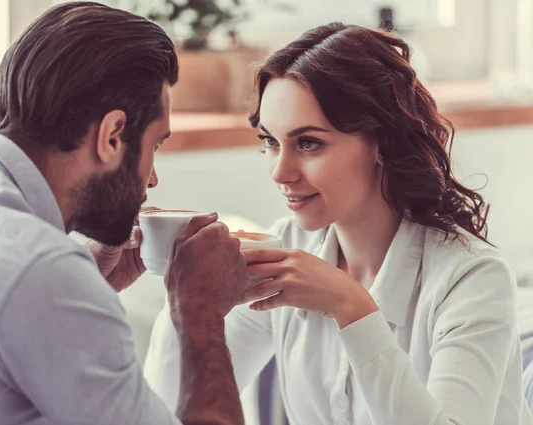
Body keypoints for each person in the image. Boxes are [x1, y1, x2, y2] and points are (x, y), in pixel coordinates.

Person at [145, 22, 533, 424]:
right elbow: (165, 413)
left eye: (308, 143)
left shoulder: (472, 279)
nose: (280, 172)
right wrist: (187, 302)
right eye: (270, 142)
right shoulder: (285, 250)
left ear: (381, 143)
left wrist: (352, 309)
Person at [0, 2, 249, 425]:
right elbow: (30, 282)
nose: (152, 179)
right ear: (113, 135)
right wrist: (202, 314)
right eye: (155, 146)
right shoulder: (42, 270)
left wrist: (90, 280)